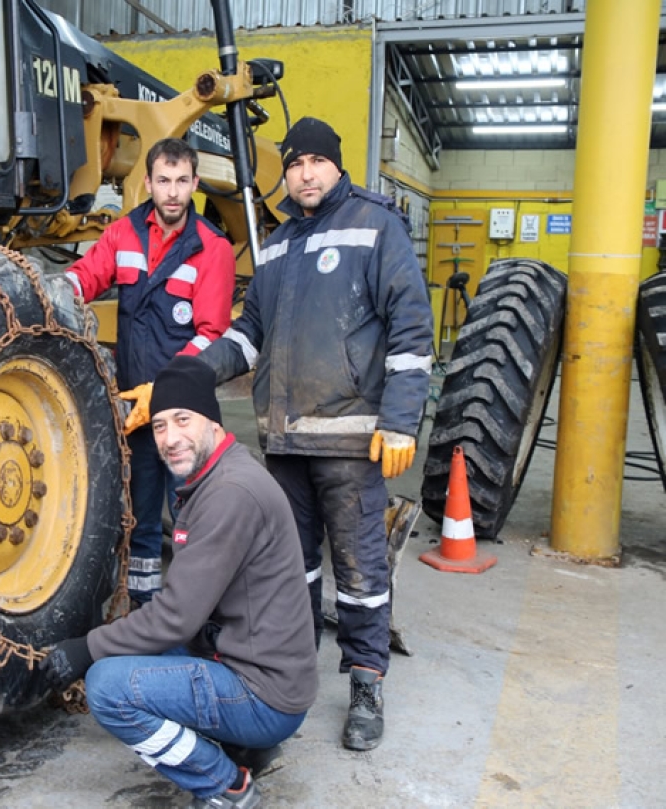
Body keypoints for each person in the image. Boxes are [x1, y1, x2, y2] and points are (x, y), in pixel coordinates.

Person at [197, 117, 433, 752]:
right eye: (295, 163)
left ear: (336, 166)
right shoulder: (274, 247)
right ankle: (290, 672)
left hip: (353, 442)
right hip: (286, 442)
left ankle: (365, 681)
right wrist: (195, 371)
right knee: (290, 570)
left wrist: (402, 419)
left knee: (360, 569)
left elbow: (411, 330)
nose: (304, 174)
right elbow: (250, 336)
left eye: (316, 163)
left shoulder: (376, 226)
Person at [41, 355, 318, 809]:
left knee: (108, 687)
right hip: (257, 665)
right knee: (134, 649)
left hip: (264, 694)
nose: (170, 439)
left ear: (212, 420)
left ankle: (225, 784)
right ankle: (248, 746)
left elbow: (175, 618)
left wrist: (85, 648)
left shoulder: (230, 494)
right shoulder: (218, 475)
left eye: (182, 420)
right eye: (160, 426)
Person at [65, 138, 236, 605]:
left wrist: (163, 390)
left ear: (196, 184)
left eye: (182, 182)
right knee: (141, 518)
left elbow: (211, 334)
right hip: (137, 410)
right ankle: (144, 612)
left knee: (191, 513)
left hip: (185, 411)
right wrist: (50, 290)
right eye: (164, 181)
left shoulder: (212, 249)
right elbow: (86, 276)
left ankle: (194, 614)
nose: (173, 193)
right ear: (148, 183)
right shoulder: (123, 235)